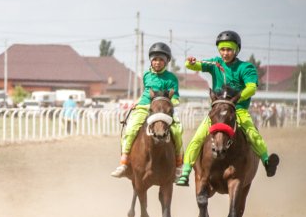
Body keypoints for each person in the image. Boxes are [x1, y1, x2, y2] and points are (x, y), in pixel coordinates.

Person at [176, 30, 279, 186]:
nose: (225, 53)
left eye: (229, 49)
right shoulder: (215, 64)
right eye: (222, 49)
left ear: (236, 50)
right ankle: (185, 171)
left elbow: (251, 88)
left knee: (253, 134)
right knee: (197, 138)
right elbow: (195, 65)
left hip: (239, 111)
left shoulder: (246, 68)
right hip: (217, 112)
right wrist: (190, 63)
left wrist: (236, 98)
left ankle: (266, 162)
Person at [111, 42, 184, 178]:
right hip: (144, 107)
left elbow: (176, 98)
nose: (157, 62)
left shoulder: (172, 78)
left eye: (161, 59)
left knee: (177, 131)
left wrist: (167, 103)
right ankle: (124, 163)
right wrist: (137, 102)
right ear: (151, 60)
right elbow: (145, 92)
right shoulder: (146, 76)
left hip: (163, 110)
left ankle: (179, 165)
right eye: (155, 59)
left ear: (166, 61)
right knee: (130, 129)